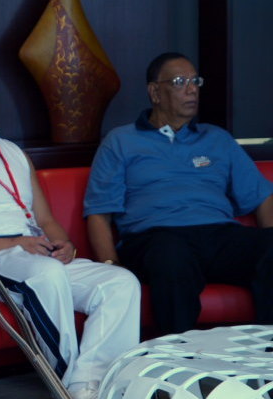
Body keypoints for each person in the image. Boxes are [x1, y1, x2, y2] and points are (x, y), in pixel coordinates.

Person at [0, 67, 140, 399]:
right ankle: (68, 386)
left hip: (34, 252)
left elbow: (45, 219)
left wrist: (64, 245)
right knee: (46, 274)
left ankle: (90, 383)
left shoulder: (14, 152)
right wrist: (15, 243)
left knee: (120, 282)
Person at [84, 52, 273, 335]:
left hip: (218, 235)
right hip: (156, 237)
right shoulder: (120, 141)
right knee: (171, 256)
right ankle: (179, 355)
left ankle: (264, 353)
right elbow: (99, 213)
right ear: (154, 92)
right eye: (179, 82)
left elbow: (262, 196)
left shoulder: (217, 138)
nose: (191, 89)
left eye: (195, 81)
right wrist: (111, 267)